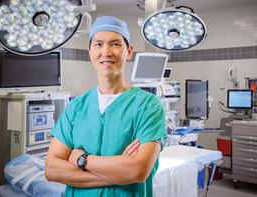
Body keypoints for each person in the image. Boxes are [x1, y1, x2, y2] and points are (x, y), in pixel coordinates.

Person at [45, 16, 167, 197]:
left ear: (129, 51)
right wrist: (119, 174)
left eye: (116, 44)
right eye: (98, 44)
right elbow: (52, 169)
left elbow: (137, 170)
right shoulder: (76, 107)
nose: (106, 52)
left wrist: (81, 159)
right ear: (90, 52)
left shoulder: (148, 106)